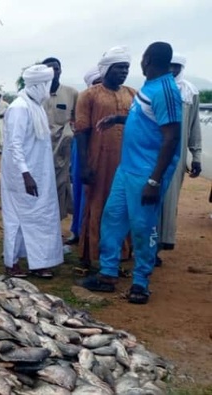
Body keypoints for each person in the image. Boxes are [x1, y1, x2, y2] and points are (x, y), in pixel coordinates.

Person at [81, 42, 182, 305]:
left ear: (147, 60)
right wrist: (118, 119)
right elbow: (147, 120)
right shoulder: (149, 86)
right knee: (113, 218)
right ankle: (107, 274)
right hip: (126, 169)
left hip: (146, 173)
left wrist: (154, 180)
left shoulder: (166, 90)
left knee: (142, 227)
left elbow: (171, 137)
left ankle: (140, 283)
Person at [75, 46, 136, 268]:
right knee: (97, 204)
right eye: (119, 67)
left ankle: (121, 252)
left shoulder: (132, 94)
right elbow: (81, 131)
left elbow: (141, 124)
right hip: (98, 160)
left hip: (126, 161)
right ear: (107, 69)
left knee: (123, 206)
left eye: (126, 68)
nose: (124, 72)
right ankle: (91, 253)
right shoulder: (89, 95)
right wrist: (84, 166)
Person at [1, 64, 64, 278]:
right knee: (18, 218)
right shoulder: (19, 107)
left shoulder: (35, 105)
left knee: (40, 216)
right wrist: (25, 174)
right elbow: (14, 144)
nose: (49, 88)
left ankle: (39, 262)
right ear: (39, 85)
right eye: (47, 83)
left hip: (39, 172)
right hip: (22, 175)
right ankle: (12, 262)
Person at [156, 53, 203, 264]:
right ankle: (146, 245)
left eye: (176, 67)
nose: (172, 70)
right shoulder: (155, 89)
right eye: (169, 66)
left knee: (169, 200)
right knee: (149, 199)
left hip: (177, 157)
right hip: (153, 153)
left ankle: (159, 244)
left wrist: (196, 155)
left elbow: (194, 126)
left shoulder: (190, 93)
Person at [41, 57, 79, 226]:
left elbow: (77, 120)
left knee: (60, 186)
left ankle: (55, 227)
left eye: (55, 68)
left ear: (60, 70)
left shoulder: (72, 93)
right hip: (40, 148)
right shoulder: (37, 94)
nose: (52, 72)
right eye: (48, 69)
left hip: (62, 149)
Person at [68, 68, 103, 244]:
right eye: (97, 83)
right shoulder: (84, 99)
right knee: (80, 190)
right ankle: (79, 230)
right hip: (83, 148)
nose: (100, 86)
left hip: (105, 150)